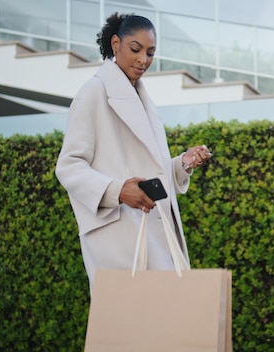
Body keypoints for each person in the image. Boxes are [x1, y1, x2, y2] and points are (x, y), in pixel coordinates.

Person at [55, 12, 212, 293]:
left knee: (161, 323)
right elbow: (68, 166)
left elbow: (152, 168)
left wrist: (182, 164)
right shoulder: (93, 92)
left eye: (150, 53)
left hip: (154, 227)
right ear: (116, 44)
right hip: (121, 234)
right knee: (131, 324)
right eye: (135, 49)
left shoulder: (143, 98)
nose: (143, 60)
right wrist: (116, 191)